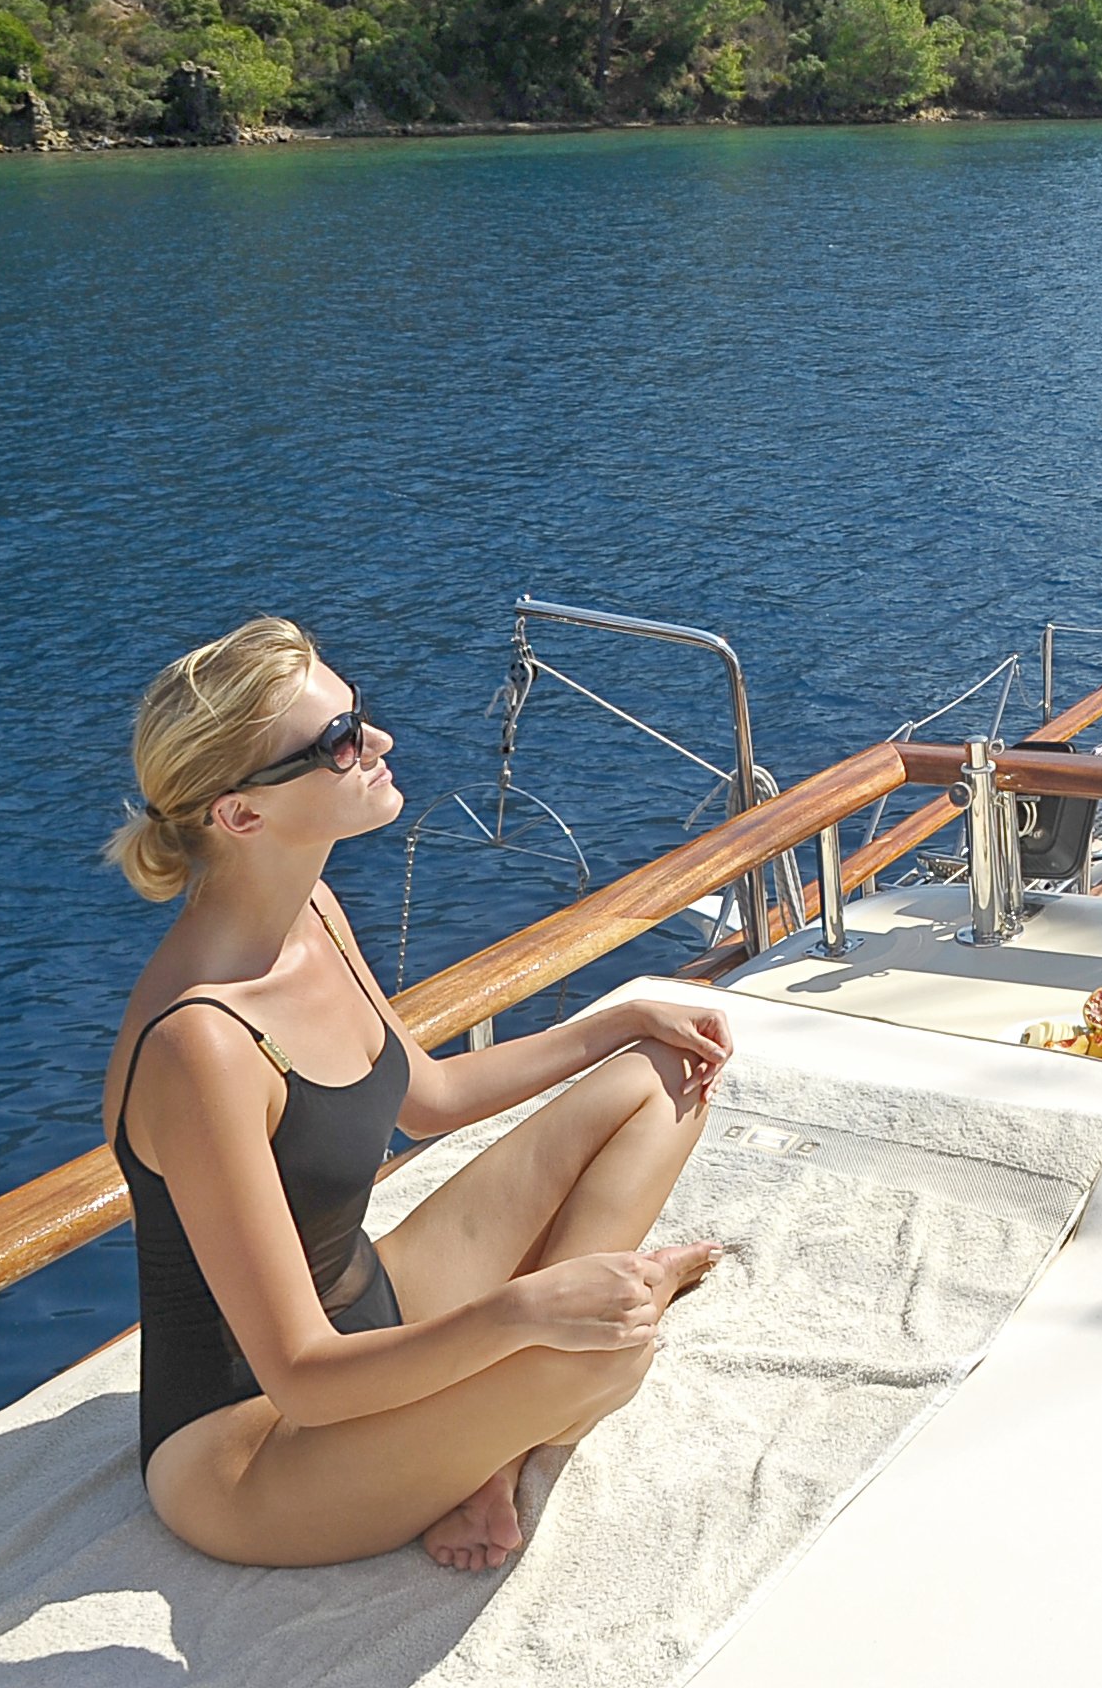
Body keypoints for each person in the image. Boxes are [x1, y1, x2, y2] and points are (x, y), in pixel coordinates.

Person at [101, 616, 731, 1573]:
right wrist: (522, 1313)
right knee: (605, 1350)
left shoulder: (310, 909)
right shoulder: (203, 1045)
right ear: (240, 814)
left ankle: (485, 1446)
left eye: (361, 718)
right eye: (341, 743)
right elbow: (302, 1380)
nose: (381, 745)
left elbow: (426, 1096)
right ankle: (495, 1451)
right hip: (257, 1455)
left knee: (665, 1078)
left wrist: (617, 1023)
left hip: (373, 1313)